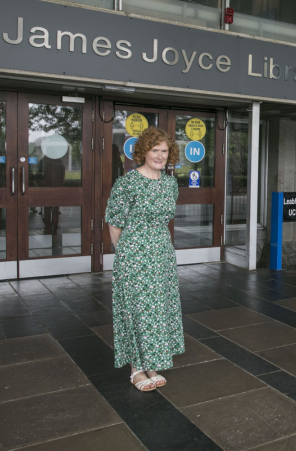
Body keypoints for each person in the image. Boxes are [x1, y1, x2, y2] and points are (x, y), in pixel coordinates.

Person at [105, 127, 184, 392]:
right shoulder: (127, 183)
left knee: (157, 309)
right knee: (136, 309)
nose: (160, 156)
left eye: (164, 151)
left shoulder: (170, 183)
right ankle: (136, 368)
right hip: (134, 255)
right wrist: (125, 255)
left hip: (161, 252)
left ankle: (151, 362)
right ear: (144, 152)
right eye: (155, 150)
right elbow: (115, 223)